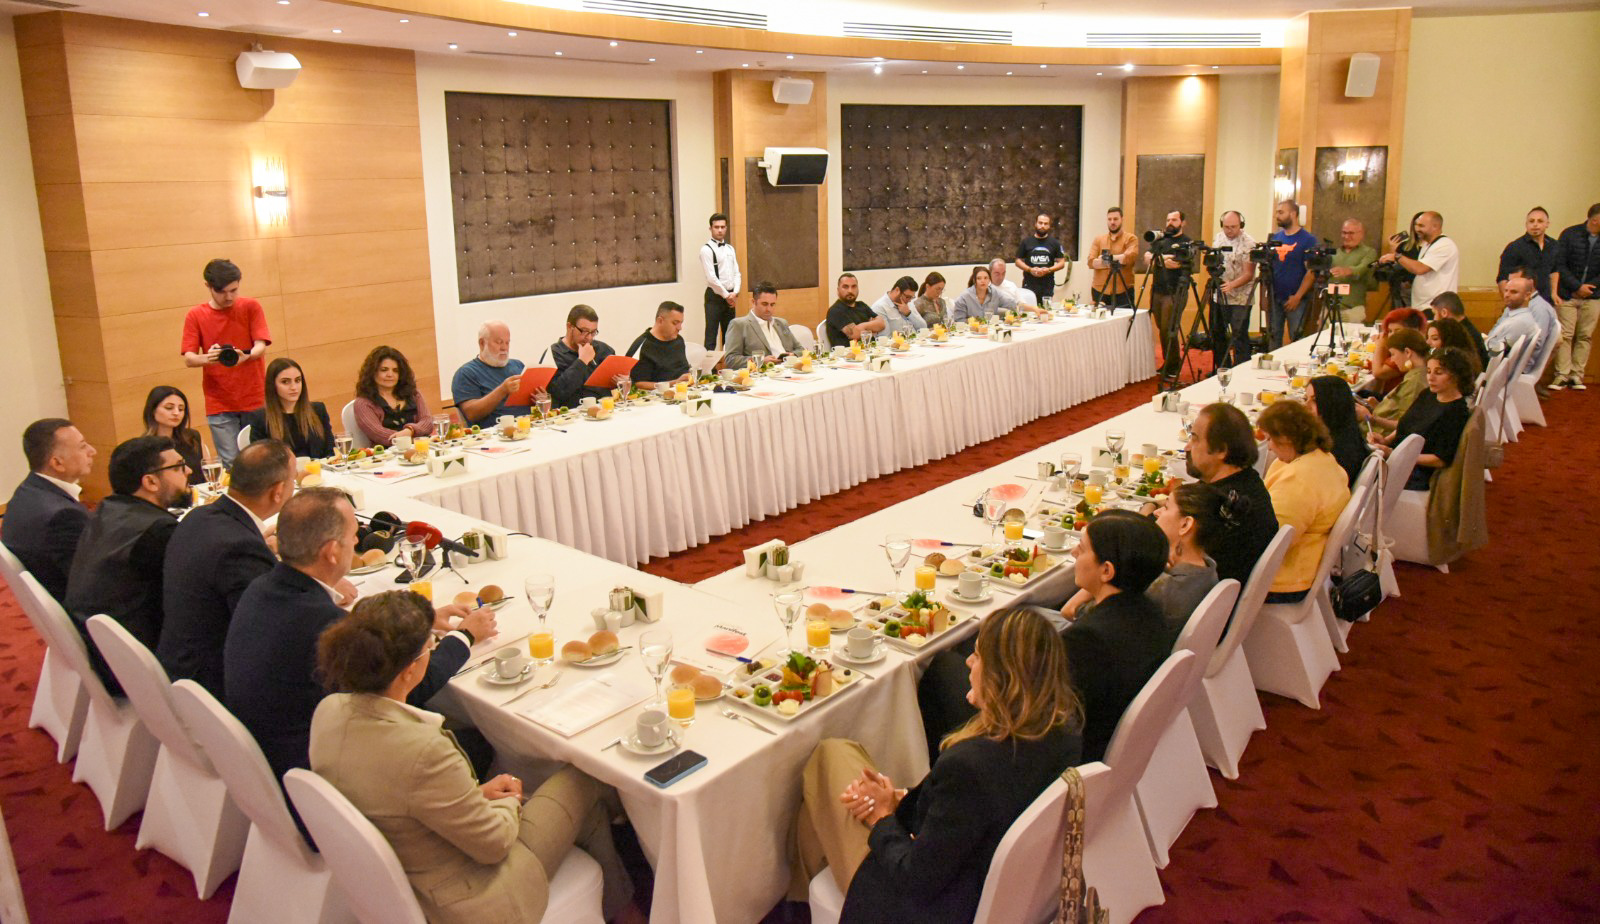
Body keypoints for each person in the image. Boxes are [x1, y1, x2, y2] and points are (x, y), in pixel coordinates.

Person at [310, 592, 633, 922]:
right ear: (408, 671)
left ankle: (619, 909)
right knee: (583, 775)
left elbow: (390, 793)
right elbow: (495, 843)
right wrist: (509, 802)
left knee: (588, 815)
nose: (432, 651)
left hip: (407, 869)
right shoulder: (423, 750)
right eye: (428, 647)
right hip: (473, 897)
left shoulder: (329, 712)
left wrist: (471, 797)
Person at [793, 609, 1080, 924]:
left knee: (829, 757)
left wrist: (882, 816)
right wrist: (901, 798)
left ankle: (796, 908)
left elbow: (915, 878)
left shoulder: (970, 767)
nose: (968, 661)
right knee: (822, 799)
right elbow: (975, 815)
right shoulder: (1064, 735)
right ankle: (798, 908)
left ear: (1001, 677)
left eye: (978, 656)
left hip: (926, 906)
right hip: (1005, 887)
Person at [224, 487, 495, 784]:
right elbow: (402, 687)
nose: (356, 542)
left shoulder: (261, 588)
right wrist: (465, 637)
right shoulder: (321, 620)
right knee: (478, 743)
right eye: (353, 535)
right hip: (315, 772)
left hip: (267, 753)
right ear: (331, 551)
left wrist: (423, 623)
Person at [157, 440, 294, 696]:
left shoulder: (198, 516)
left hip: (177, 663)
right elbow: (272, 632)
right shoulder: (240, 549)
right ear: (277, 492)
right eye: (292, 480)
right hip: (212, 687)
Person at [65, 436, 188, 695]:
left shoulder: (108, 508)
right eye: (178, 466)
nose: (188, 471)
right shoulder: (156, 531)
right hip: (133, 668)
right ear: (150, 482)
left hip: (99, 650)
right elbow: (192, 589)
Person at [1058, 511, 1172, 762]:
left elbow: (1051, 713)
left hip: (1081, 753)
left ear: (1107, 570)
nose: (1074, 553)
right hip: (1124, 742)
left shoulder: (1087, 639)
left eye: (1082, 548)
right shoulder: (1151, 612)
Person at [1256, 401, 1352, 603]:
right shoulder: (1324, 459)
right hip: (1308, 564)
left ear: (1287, 438)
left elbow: (1269, 543)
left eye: (1270, 439)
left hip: (1284, 580)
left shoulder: (1298, 481)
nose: (1269, 447)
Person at [180, 259, 271, 467]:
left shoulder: (251, 306)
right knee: (232, 464)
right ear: (208, 286)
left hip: (255, 397)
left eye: (234, 290)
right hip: (219, 402)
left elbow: (261, 346)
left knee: (262, 461)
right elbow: (189, 358)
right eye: (221, 292)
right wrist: (210, 357)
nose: (229, 297)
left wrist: (246, 356)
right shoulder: (196, 315)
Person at [1184, 403, 1279, 587]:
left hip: (1203, 597)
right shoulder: (1250, 482)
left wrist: (1149, 509)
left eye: (1195, 439)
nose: (1187, 447)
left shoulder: (1214, 508)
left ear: (1221, 451)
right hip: (1229, 593)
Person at [2, 419, 95, 602]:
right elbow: (92, 582)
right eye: (82, 446)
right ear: (57, 463)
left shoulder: (25, 492)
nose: (92, 451)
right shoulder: (64, 517)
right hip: (79, 607)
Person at [1370, 348, 1474, 492]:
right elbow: (1407, 424)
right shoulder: (1428, 394)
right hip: (1396, 456)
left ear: (1457, 376)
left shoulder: (1456, 413)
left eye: (1438, 373)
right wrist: (1385, 440)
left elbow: (1440, 460)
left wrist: (1395, 454)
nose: (1430, 378)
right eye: (1429, 371)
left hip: (1415, 471)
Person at [244, 358, 334, 460]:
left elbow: (330, 451)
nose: (294, 387)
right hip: (282, 470)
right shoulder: (260, 418)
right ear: (272, 385)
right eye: (285, 382)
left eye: (297, 380)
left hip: (318, 468)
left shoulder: (318, 410)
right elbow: (260, 460)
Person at [1551, 203, 1600, 390]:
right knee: (1565, 335)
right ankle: (1562, 375)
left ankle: (1577, 375)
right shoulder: (1570, 234)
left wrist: (1589, 288)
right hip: (1568, 294)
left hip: (1593, 296)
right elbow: (1559, 264)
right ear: (1594, 219)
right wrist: (1577, 286)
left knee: (1585, 336)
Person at [1145, 209, 1196, 378]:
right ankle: (1168, 362)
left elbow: (1176, 263)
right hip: (1157, 291)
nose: (1170, 223)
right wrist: (1163, 259)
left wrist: (1158, 259)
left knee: (1169, 328)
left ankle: (1173, 366)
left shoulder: (1187, 242)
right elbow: (1146, 258)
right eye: (1168, 220)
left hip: (1175, 292)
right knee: (1162, 328)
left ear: (1182, 222)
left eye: (1174, 220)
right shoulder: (1161, 239)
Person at [353, 345, 433, 448]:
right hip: (387, 454)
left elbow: (427, 422)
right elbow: (380, 435)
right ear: (372, 372)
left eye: (395, 370)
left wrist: (410, 431)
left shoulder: (414, 393)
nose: (390, 374)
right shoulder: (363, 403)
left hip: (421, 448)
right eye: (384, 370)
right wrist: (413, 437)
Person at [1376, 211, 1459, 309]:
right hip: (1423, 304)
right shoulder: (1428, 245)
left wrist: (1397, 256)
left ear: (1435, 227)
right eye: (1416, 225)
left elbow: (1420, 268)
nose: (1416, 229)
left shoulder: (1444, 245)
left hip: (1435, 306)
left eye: (1421, 226)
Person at [1265, 200, 1319, 350]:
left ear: (1293, 214)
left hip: (1296, 299)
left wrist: (1298, 296)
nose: (1277, 216)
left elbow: (1311, 271)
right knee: (1273, 336)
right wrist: (1266, 295)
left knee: (1296, 337)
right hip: (1275, 297)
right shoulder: (1275, 238)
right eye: (1277, 212)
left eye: (1281, 212)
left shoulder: (1308, 240)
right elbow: (1269, 268)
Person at [451, 321, 527, 426]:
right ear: (482, 343)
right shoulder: (466, 373)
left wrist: (539, 397)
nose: (504, 348)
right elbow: (471, 413)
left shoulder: (517, 365)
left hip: (529, 425)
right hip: (495, 431)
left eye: (507, 343)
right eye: (499, 342)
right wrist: (502, 390)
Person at [1359, 327, 1430, 435]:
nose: (1392, 359)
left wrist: (1369, 417)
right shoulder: (1418, 374)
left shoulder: (1415, 383)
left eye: (1393, 354)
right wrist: (1379, 406)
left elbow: (1404, 425)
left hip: (1375, 434)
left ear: (1407, 352)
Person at [1210, 210, 1257, 370]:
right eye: (1226, 227)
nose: (1229, 230)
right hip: (1220, 294)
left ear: (1240, 225)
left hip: (1241, 298)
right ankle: (1223, 368)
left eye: (1233, 227)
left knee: (1238, 335)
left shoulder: (1249, 243)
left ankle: (1241, 369)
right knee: (1218, 333)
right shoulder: (1218, 238)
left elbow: (1249, 274)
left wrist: (1232, 285)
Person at [546, 305, 616, 409]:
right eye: (584, 331)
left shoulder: (604, 350)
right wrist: (582, 361)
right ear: (569, 326)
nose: (589, 337)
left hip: (604, 409)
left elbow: (614, 386)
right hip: (572, 413)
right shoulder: (554, 354)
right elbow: (558, 393)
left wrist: (621, 382)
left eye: (593, 332)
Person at [1305, 375, 1368, 487]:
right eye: (1306, 399)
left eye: (1314, 400)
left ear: (1332, 403)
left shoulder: (1335, 452)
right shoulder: (1347, 433)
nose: (1306, 406)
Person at [724, 283, 802, 368]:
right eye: (764, 304)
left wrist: (792, 355)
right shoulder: (739, 325)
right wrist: (760, 361)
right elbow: (730, 359)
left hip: (790, 369)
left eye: (772, 304)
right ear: (753, 302)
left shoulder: (782, 323)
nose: (769, 309)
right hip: (764, 372)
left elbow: (801, 350)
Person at [142, 386, 207, 485]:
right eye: (169, 408)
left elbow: (209, 471)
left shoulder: (193, 437)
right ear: (153, 410)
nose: (176, 413)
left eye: (181, 409)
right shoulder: (145, 446)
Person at [1497, 207, 1560, 305]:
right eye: (1531, 221)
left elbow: (1554, 271)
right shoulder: (1515, 247)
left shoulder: (1553, 245)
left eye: (1540, 221)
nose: (1535, 224)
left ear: (1547, 224)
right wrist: (1509, 302)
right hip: (1522, 302)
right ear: (1526, 224)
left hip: (1546, 301)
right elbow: (1502, 278)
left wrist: (1554, 293)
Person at [625, 301, 693, 388]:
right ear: (660, 321)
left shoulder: (678, 340)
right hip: (657, 394)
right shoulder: (643, 346)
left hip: (684, 390)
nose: (679, 328)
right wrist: (674, 383)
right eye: (675, 323)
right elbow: (638, 384)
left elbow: (683, 369)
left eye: (681, 323)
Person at [700, 212, 741, 350]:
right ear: (710, 228)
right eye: (716, 227)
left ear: (726, 228)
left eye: (722, 227)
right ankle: (709, 363)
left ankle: (729, 362)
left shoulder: (730, 248)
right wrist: (726, 295)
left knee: (730, 335)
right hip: (715, 297)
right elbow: (711, 278)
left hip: (731, 297)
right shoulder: (706, 250)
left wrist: (735, 292)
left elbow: (737, 273)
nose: (720, 230)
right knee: (711, 335)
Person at [1483, 275, 1543, 369]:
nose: (1507, 295)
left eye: (1513, 292)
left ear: (1527, 296)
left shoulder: (1520, 322)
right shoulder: (1516, 317)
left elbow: (1494, 354)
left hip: (1493, 368)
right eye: (1506, 290)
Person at [1367, 308, 1427, 396]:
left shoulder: (1407, 354)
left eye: (1397, 330)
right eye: (1390, 331)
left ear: (1413, 331)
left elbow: (1378, 373)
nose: (1392, 335)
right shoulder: (1400, 349)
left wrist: (1380, 345)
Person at [1088, 206, 1139, 307]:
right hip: (1100, 290)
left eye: (1115, 219)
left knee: (1126, 317)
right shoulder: (1098, 239)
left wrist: (1105, 260)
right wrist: (1117, 260)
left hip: (1123, 291)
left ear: (1122, 219)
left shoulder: (1131, 238)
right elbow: (1090, 262)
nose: (1112, 222)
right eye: (1109, 219)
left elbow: (1128, 258)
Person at [1329, 218, 1378, 324]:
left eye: (1351, 233)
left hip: (1353, 309)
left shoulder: (1369, 252)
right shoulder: (1334, 253)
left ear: (1361, 234)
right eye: (1344, 233)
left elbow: (1363, 268)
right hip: (1330, 308)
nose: (1347, 237)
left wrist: (1347, 271)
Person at [1015, 212, 1066, 306]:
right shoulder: (1026, 242)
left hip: (1047, 285)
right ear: (1035, 224)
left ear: (1049, 226)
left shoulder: (1055, 243)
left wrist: (1049, 270)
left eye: (1046, 224)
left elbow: (1061, 263)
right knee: (1029, 310)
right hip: (1029, 284)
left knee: (1045, 310)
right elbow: (1018, 261)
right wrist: (1030, 269)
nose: (1042, 226)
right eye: (1040, 223)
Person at [1429, 293, 1489, 371]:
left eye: (1434, 314)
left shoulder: (1459, 336)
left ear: (1444, 313)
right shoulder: (1466, 328)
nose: (1434, 319)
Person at [825, 273, 885, 348]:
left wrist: (862, 326)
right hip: (848, 353)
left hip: (869, 350)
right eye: (845, 287)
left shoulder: (862, 305)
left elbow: (882, 324)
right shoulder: (835, 311)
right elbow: (855, 334)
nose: (850, 290)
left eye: (853, 286)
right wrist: (872, 329)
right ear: (838, 290)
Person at [950, 266, 1017, 324]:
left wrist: (1003, 318)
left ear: (989, 280)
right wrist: (975, 321)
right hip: (970, 331)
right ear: (974, 280)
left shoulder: (995, 293)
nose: (983, 281)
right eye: (979, 278)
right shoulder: (965, 296)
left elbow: (1012, 304)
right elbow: (958, 320)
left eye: (985, 278)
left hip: (991, 330)